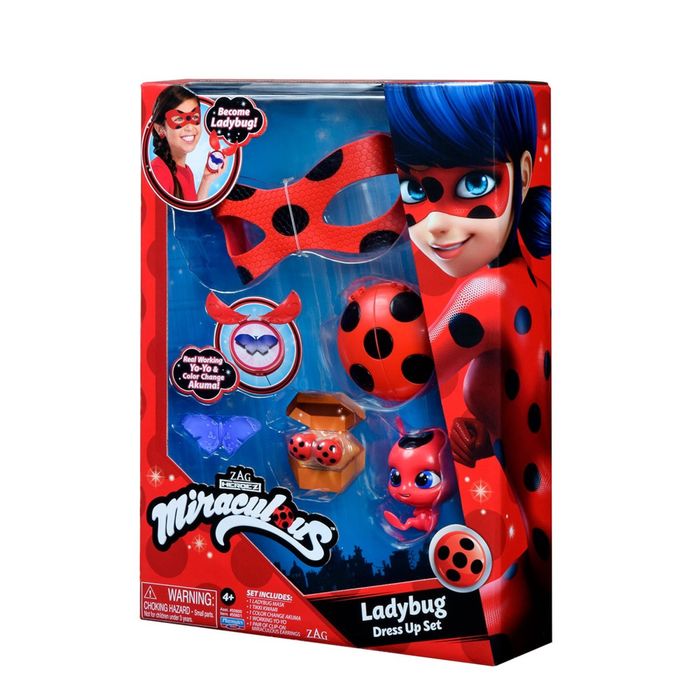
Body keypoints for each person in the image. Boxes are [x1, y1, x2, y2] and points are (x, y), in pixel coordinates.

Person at [385, 82, 551, 649]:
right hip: (534, 542)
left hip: (545, 541)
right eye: (416, 188)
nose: (435, 223)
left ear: (523, 173)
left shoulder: (486, 293)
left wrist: (366, 308)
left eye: (475, 184)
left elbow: (407, 371)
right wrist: (485, 438)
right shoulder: (528, 287)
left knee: (468, 631)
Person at [150, 85, 226, 201]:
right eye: (179, 119)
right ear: (160, 129)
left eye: (195, 117)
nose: (190, 127)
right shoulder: (159, 172)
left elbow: (192, 209)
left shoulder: (187, 171)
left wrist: (206, 180)